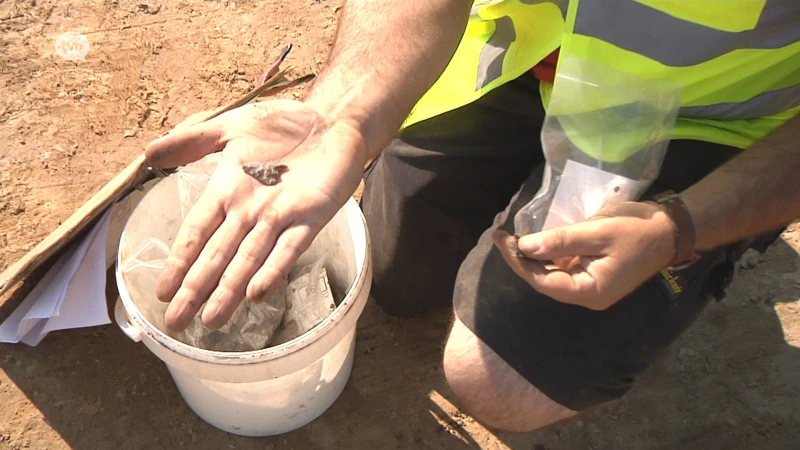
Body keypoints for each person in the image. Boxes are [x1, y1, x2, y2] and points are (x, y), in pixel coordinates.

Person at [144, 0, 800, 432]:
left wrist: (683, 227)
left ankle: (714, 240)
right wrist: (339, 114)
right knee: (395, 273)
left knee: (497, 380)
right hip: (523, 54)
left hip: (706, 119)